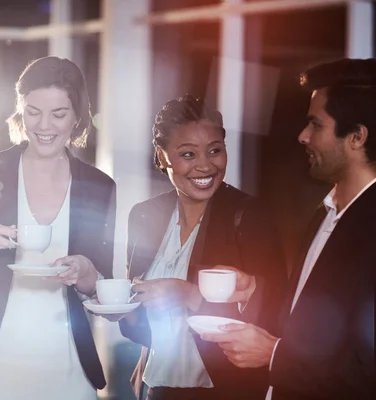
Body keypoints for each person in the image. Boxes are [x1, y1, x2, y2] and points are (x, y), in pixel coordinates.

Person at [201, 59, 375, 400]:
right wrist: (252, 290)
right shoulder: (325, 212)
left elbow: (367, 373)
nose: (302, 136)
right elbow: (311, 317)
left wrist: (275, 355)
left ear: (356, 137)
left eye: (316, 124)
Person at [0, 56, 116, 400]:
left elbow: (101, 288)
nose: (44, 125)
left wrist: (85, 270)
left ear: (77, 117)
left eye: (59, 114)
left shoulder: (99, 186)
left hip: (67, 361)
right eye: (33, 111)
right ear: (20, 109)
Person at [117, 95, 287, 400]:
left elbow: (273, 316)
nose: (205, 165)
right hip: (156, 390)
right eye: (188, 154)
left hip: (225, 392)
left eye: (215, 151)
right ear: (162, 155)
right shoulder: (144, 215)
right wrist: (122, 311)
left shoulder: (249, 216)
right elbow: (139, 322)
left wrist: (188, 294)